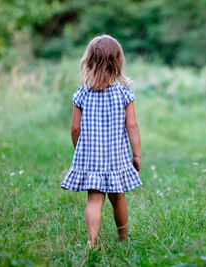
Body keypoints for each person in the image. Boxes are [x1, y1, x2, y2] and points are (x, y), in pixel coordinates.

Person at [60, 34, 142, 245]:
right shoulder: (124, 93)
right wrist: (137, 155)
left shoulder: (82, 94)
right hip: (117, 157)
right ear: (117, 62)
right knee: (118, 198)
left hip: (92, 157)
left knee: (94, 199)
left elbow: (75, 128)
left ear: (89, 61)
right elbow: (132, 126)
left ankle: (92, 242)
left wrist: (80, 150)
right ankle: (123, 239)